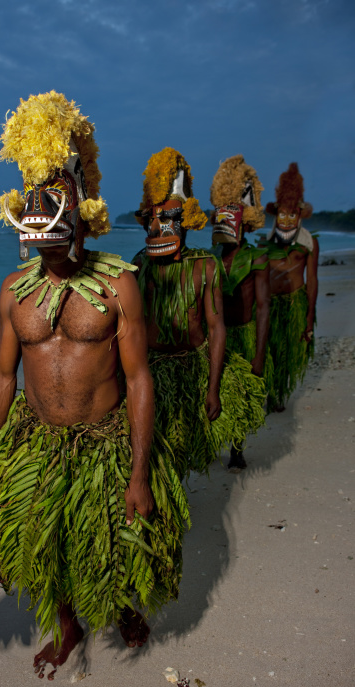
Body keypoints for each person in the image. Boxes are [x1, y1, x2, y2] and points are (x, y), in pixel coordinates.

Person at [0, 92, 189, 680]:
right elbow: (2, 376)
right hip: (37, 444)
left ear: (84, 211)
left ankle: (123, 606)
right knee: (50, 548)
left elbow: (138, 378)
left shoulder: (119, 287)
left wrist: (137, 473)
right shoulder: (13, 291)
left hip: (104, 441)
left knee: (115, 541)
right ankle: (69, 625)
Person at [133, 148, 266, 479]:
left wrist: (212, 386)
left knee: (181, 451)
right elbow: (129, 327)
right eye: (152, 219)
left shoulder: (205, 266)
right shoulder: (139, 265)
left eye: (167, 220)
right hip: (151, 371)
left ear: (186, 223)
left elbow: (216, 327)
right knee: (154, 451)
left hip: (192, 365)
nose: (158, 227)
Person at [210, 155, 271, 471]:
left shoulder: (258, 259)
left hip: (244, 334)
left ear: (244, 223)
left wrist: (259, 354)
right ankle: (215, 442)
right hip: (218, 336)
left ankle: (237, 448)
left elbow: (263, 308)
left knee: (243, 394)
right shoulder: (210, 259)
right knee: (218, 391)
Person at [260, 163, 319, 411]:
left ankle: (280, 392)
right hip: (271, 304)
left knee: (288, 350)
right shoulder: (265, 244)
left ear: (299, 215)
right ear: (276, 215)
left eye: (291, 214)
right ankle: (269, 391)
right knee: (269, 348)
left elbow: (313, 280)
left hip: (296, 302)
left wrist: (308, 316)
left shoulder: (309, 244)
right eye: (281, 214)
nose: (285, 219)